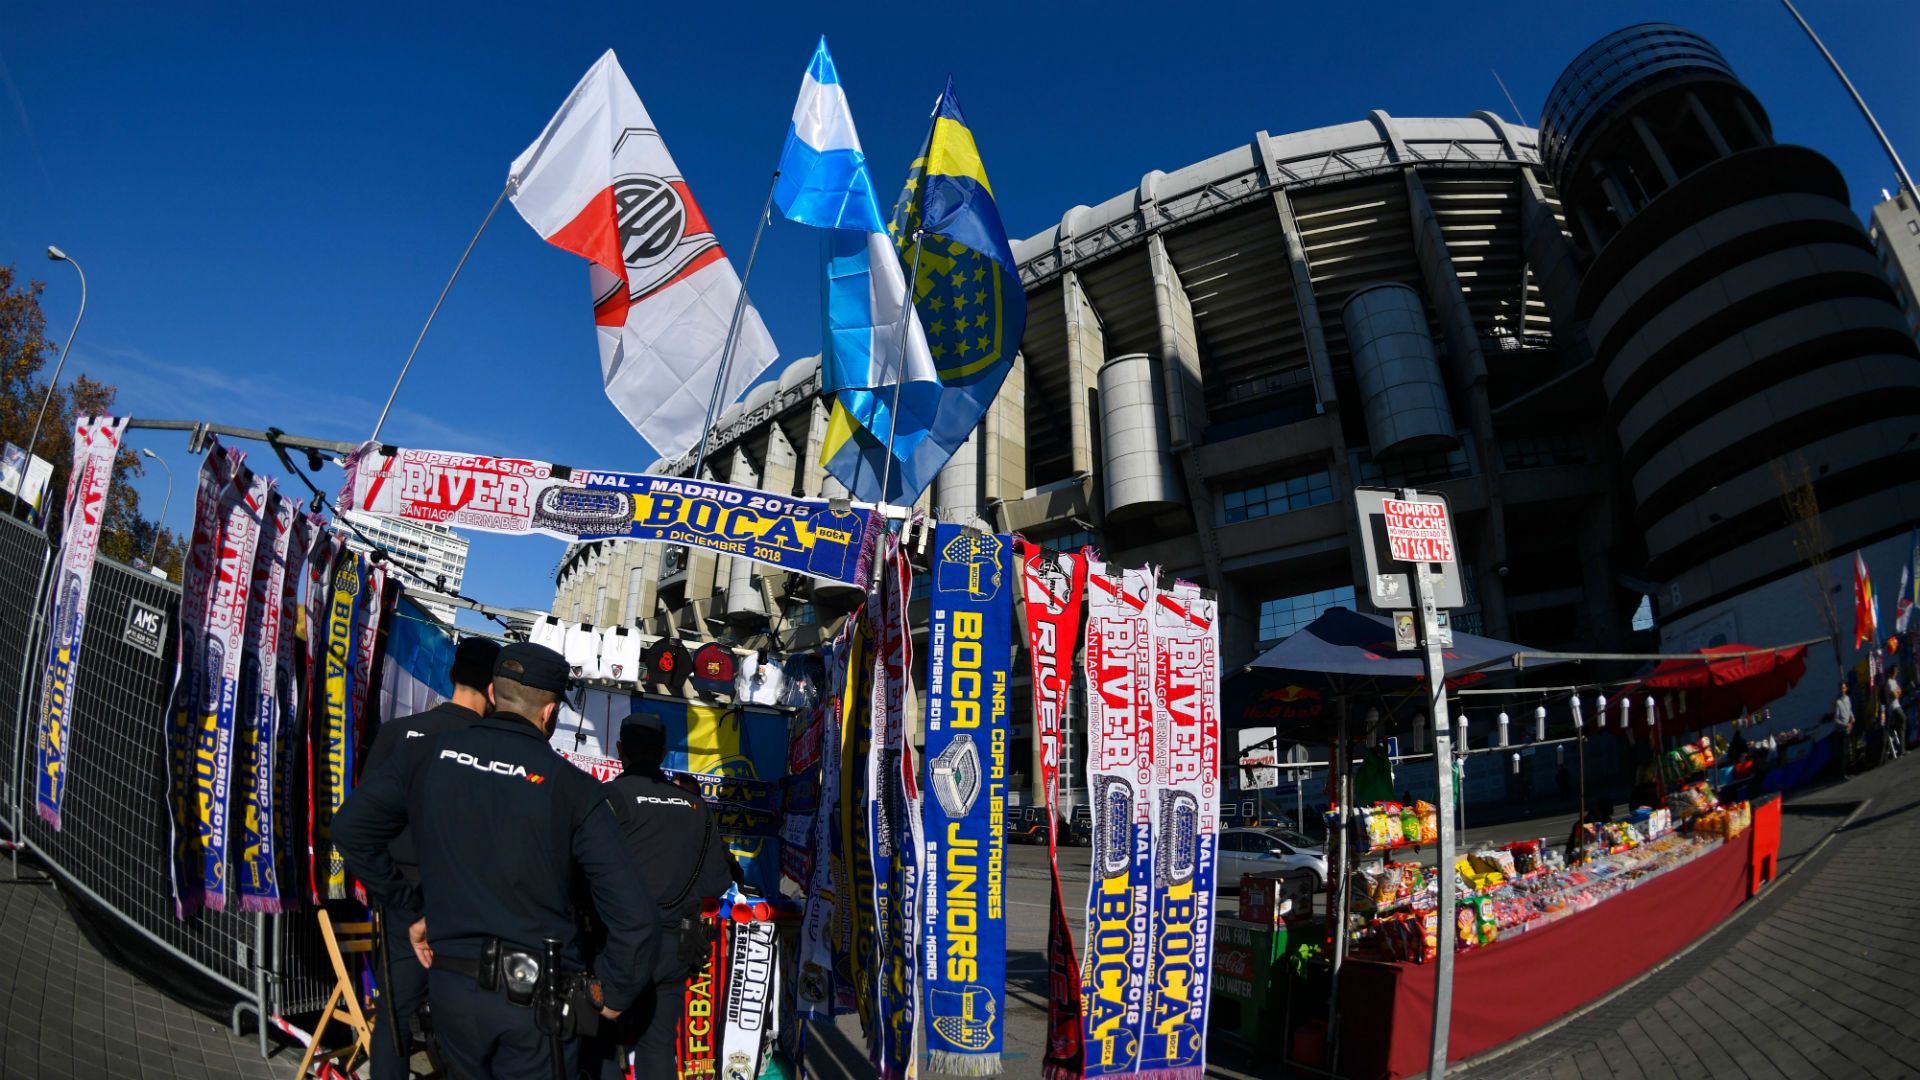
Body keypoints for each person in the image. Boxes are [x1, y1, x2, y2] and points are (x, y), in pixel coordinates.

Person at [336, 642, 661, 1080]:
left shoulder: (428, 754)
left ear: (492, 693)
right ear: (550, 714)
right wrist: (614, 993)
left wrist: (408, 906)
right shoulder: (574, 788)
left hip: (453, 992)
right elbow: (636, 916)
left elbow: (350, 828)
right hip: (536, 1004)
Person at [356, 636, 501, 1080]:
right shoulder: (497, 752)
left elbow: (362, 823)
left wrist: (394, 891)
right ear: (494, 688)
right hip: (467, 900)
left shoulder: (399, 733)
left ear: (452, 675)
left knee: (396, 1015)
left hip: (403, 893)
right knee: (466, 1021)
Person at [586, 713, 735, 1079]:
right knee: (658, 1046)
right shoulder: (696, 807)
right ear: (664, 753)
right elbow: (718, 880)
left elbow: (583, 870)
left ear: (620, 750)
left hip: (614, 944)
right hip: (673, 946)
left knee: (601, 1041)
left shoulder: (608, 798)